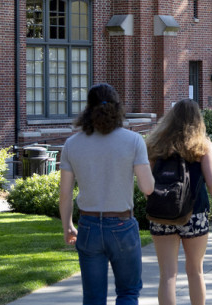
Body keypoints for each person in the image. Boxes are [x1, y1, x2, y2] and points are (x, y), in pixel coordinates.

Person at [58, 83, 155, 305]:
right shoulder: (133, 141)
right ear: (117, 108)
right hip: (122, 224)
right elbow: (148, 188)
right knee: (128, 293)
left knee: (93, 298)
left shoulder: (72, 144)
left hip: (88, 225)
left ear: (87, 109)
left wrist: (67, 226)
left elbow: (65, 195)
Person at [144, 99, 212, 305]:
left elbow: (146, 181)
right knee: (196, 271)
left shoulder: (155, 145)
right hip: (195, 214)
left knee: (167, 274)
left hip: (161, 213)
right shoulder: (203, 146)